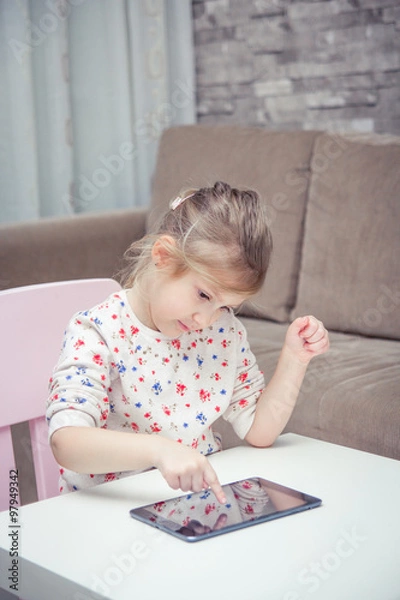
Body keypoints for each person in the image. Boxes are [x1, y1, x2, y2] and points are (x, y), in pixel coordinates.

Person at [46, 181, 329, 505]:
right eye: (204, 295)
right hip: (110, 510)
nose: (206, 319)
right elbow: (67, 444)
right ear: (163, 256)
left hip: (194, 508)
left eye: (225, 306)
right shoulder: (98, 332)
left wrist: (294, 360)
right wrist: (160, 450)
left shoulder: (224, 332)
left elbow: (259, 431)